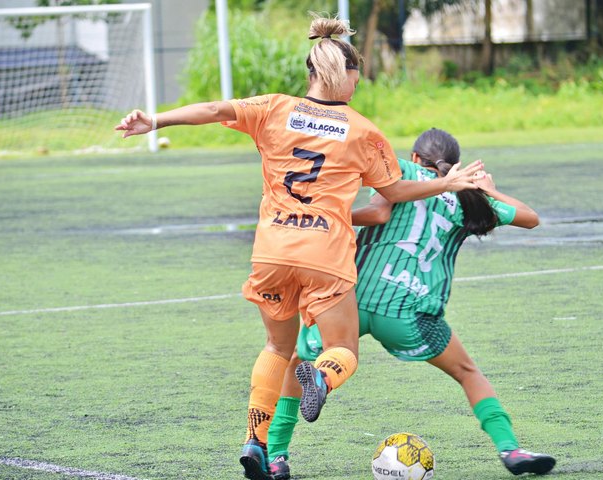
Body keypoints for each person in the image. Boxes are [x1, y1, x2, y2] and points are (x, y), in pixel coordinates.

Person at [115, 17, 484, 480]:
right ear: (343, 74)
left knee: (276, 346)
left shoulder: (273, 108)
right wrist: (446, 182)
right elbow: (393, 193)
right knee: (342, 348)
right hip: (324, 257)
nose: (357, 83)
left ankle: (256, 441)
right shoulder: (363, 131)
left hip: (271, 252)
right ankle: (321, 378)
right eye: (357, 76)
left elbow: (213, 109)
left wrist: (155, 121)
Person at [266, 128, 556, 478]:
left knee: (300, 359)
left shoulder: (400, 169)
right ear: (455, 165)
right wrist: (486, 188)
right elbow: (530, 218)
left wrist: (328, 216)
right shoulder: (468, 198)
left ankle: (279, 452)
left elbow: (378, 214)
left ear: (416, 158)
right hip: (410, 312)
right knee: (467, 373)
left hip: (352, 300)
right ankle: (510, 450)